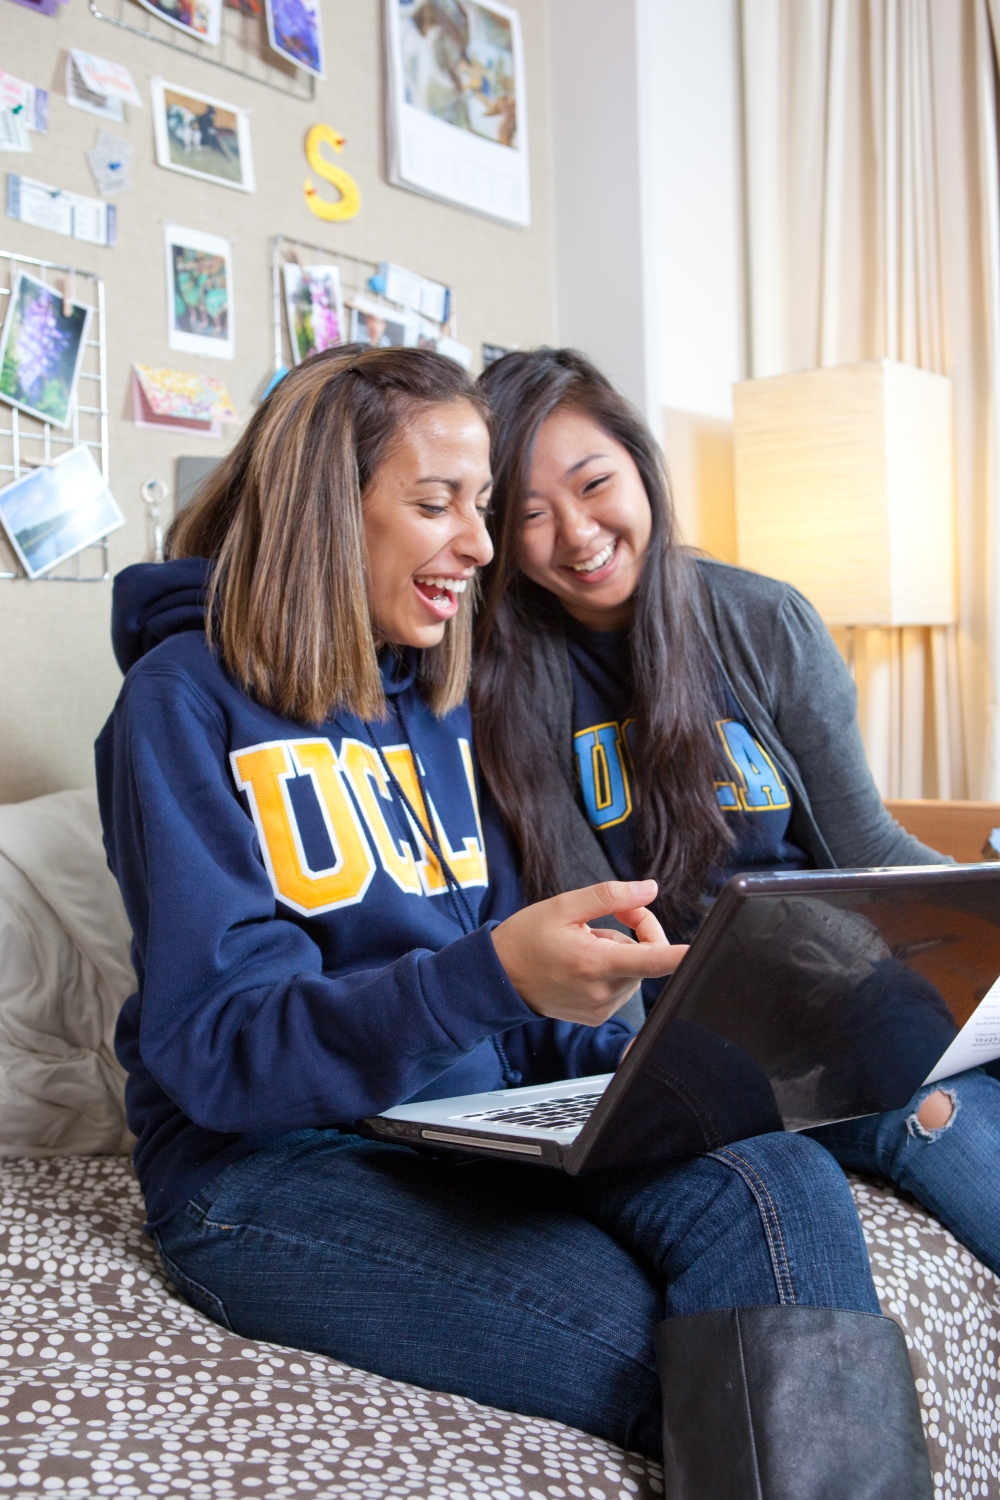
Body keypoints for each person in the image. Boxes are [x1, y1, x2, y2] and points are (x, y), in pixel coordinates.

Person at [97, 345, 931, 1500]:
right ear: (326, 515)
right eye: (438, 504)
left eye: (479, 507)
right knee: (698, 1355)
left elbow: (517, 1008)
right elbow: (223, 1052)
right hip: (268, 1173)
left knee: (777, 1175)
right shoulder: (178, 705)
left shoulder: (437, 705)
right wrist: (490, 977)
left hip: (464, 1127)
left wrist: (642, 1070)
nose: (483, 548)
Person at [473, 342, 1000, 1385]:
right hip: (701, 1023)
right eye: (527, 514)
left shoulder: (761, 621)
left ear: (639, 469)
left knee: (924, 1038)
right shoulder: (502, 683)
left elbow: (866, 850)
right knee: (911, 1102)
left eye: (592, 485)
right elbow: (600, 934)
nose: (574, 535)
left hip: (850, 974)